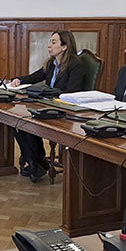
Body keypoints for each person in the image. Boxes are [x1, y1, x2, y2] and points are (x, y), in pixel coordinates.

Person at [9, 31, 87, 182]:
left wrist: (48, 93)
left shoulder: (75, 65)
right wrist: (18, 79)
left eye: (53, 42)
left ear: (64, 46)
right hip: (46, 106)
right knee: (17, 122)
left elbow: (71, 92)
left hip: (64, 111)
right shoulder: (51, 63)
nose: (49, 45)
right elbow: (35, 77)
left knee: (27, 122)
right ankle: (36, 162)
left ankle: (37, 163)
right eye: (50, 41)